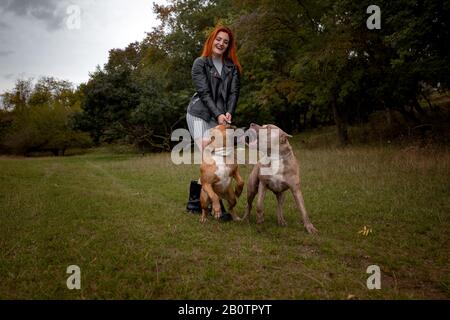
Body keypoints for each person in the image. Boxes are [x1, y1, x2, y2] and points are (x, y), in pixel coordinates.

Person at [185, 26, 242, 219]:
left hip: (218, 116)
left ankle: (196, 200)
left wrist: (228, 113)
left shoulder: (232, 67)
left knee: (219, 159)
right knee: (208, 157)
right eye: (218, 39)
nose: (221, 44)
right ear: (212, 40)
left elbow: (234, 93)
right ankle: (209, 204)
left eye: (225, 42)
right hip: (200, 113)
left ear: (229, 45)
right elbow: (204, 94)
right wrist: (218, 114)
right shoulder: (200, 63)